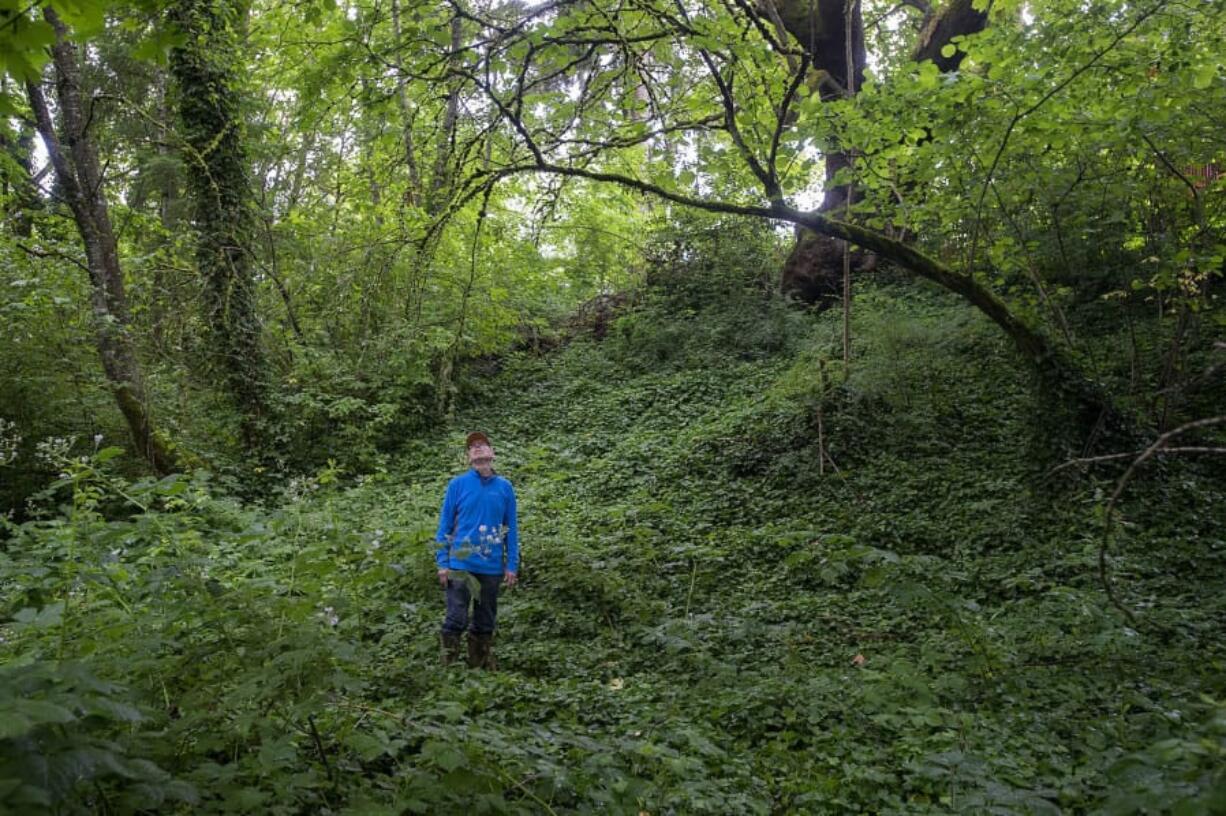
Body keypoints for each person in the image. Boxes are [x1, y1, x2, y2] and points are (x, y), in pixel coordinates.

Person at [435, 431, 519, 669]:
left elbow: (511, 528)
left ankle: (479, 667)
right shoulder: (457, 485)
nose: (478, 448)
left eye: (483, 445)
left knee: (485, 621)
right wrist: (443, 562)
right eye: (473, 447)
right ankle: (448, 668)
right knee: (455, 618)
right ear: (468, 456)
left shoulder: (505, 488)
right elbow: (445, 526)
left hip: (491, 567)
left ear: (492, 453)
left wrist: (511, 564)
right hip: (460, 565)